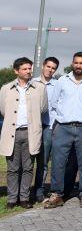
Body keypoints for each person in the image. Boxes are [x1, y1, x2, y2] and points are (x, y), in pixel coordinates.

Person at [45, 51, 82, 208]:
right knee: (58, 162)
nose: (78, 65)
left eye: (81, 63)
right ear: (72, 63)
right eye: (76, 62)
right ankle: (57, 194)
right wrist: (63, 117)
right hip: (63, 128)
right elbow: (54, 102)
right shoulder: (62, 80)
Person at [0, 57, 48, 209]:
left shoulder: (39, 88)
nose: (29, 71)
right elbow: (2, 110)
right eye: (25, 69)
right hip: (12, 132)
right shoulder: (6, 89)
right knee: (12, 168)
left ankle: (24, 198)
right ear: (16, 71)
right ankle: (12, 198)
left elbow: (43, 108)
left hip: (30, 132)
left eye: (29, 68)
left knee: (28, 167)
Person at [33, 56, 59, 202]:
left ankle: (47, 191)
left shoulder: (57, 85)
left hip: (51, 126)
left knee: (51, 161)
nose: (50, 70)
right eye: (48, 66)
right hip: (35, 126)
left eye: (53, 68)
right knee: (37, 162)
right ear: (43, 66)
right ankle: (34, 191)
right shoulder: (33, 83)